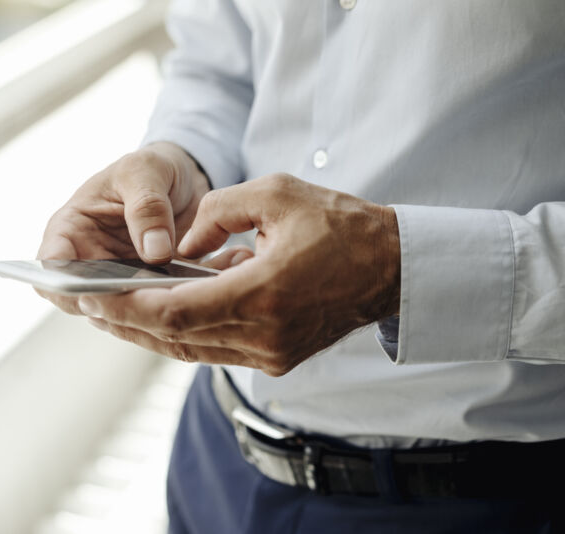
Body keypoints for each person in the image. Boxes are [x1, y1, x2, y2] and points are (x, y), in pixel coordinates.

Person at [37, 1, 565, 532]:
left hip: (495, 497)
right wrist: (184, 158)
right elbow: (220, 61)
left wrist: (396, 268)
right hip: (217, 453)